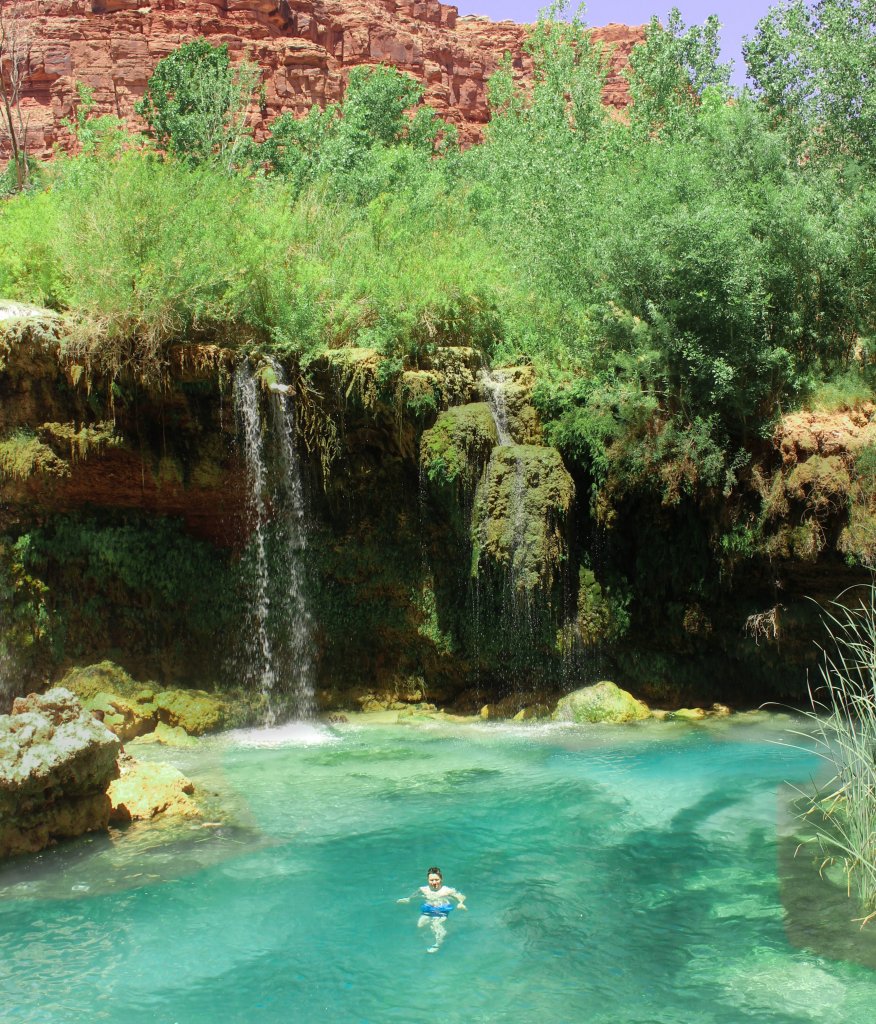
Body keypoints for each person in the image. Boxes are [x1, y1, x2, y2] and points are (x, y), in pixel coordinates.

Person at [397, 866, 467, 953]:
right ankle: (426, 936)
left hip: (442, 909)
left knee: (435, 924)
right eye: (431, 880)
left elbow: (461, 896)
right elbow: (415, 894)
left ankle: (438, 943)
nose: (434, 882)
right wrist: (408, 898)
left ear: (441, 879)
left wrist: (461, 903)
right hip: (429, 908)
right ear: (428, 880)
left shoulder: (447, 890)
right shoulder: (423, 889)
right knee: (420, 925)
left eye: (437, 879)